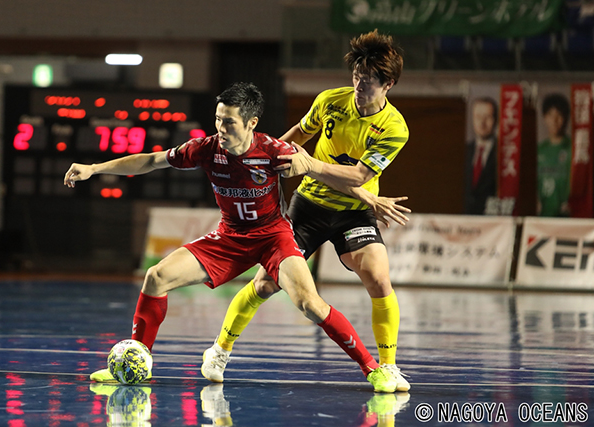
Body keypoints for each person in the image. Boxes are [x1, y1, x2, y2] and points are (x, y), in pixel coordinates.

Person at [64, 82, 397, 392]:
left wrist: (366, 196)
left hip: (274, 238)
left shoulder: (274, 150)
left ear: (251, 123)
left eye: (229, 122)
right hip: (230, 237)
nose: (221, 128)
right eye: (218, 120)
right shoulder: (205, 149)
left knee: (310, 304)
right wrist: (95, 168)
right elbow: (151, 161)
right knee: (156, 276)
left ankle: (373, 369)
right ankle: (137, 361)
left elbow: (321, 174)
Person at [200, 30, 411, 393]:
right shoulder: (330, 101)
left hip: (353, 211)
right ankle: (219, 350)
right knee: (265, 283)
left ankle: (389, 366)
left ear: (388, 84)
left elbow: (359, 176)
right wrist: (260, 159)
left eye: (369, 81)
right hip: (309, 206)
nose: (359, 85)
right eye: (356, 76)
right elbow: (297, 135)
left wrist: (310, 165)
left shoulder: (394, 128)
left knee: (378, 277)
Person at [537, 93, 571, 217]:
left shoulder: (574, 150)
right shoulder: (539, 150)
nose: (555, 121)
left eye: (559, 115)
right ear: (544, 117)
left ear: (566, 117)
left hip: (568, 217)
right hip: (542, 217)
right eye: (550, 115)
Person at [464, 97, 498, 215]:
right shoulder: (464, 151)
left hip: (492, 219)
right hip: (463, 218)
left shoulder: (503, 154)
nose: (482, 123)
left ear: (496, 120)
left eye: (487, 117)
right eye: (478, 117)